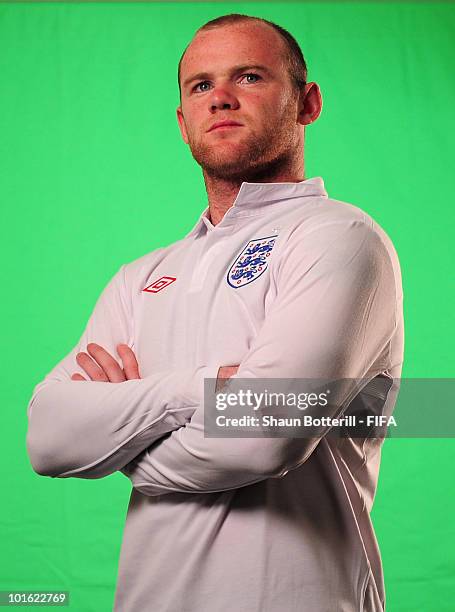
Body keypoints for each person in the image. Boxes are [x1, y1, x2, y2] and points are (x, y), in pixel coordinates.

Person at [26, 13, 404, 612]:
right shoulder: (141, 277)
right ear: (183, 122)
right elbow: (47, 437)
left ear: (307, 103)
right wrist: (195, 394)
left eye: (249, 76)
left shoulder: (339, 238)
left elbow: (265, 434)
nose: (221, 97)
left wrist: (123, 447)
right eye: (200, 85)